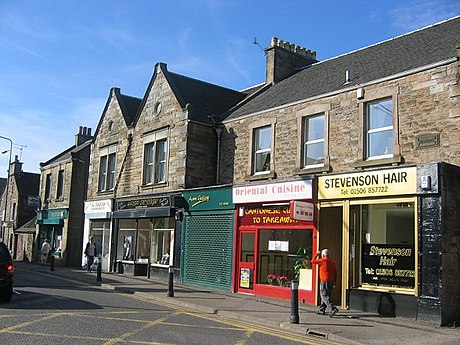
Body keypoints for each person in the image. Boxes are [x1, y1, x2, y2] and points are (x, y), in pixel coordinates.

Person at [311, 248, 339, 317]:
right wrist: (335, 281)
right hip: (331, 280)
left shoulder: (323, 260)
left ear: (323, 255)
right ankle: (322, 309)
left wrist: (317, 254)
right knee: (327, 295)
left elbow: (312, 261)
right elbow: (335, 273)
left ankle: (332, 307)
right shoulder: (332, 262)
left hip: (324, 280)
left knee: (323, 295)